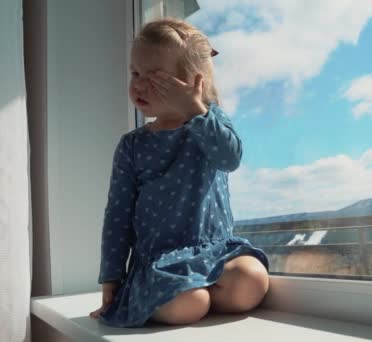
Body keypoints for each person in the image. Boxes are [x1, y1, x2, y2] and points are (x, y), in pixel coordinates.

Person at [88, 18, 270, 328]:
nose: (139, 83)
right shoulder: (132, 145)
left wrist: (196, 111)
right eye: (135, 73)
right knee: (190, 303)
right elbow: (117, 216)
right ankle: (192, 294)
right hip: (162, 264)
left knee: (251, 279)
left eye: (155, 76)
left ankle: (205, 289)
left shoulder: (209, 122)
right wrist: (111, 281)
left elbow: (230, 158)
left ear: (193, 82)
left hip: (215, 253)